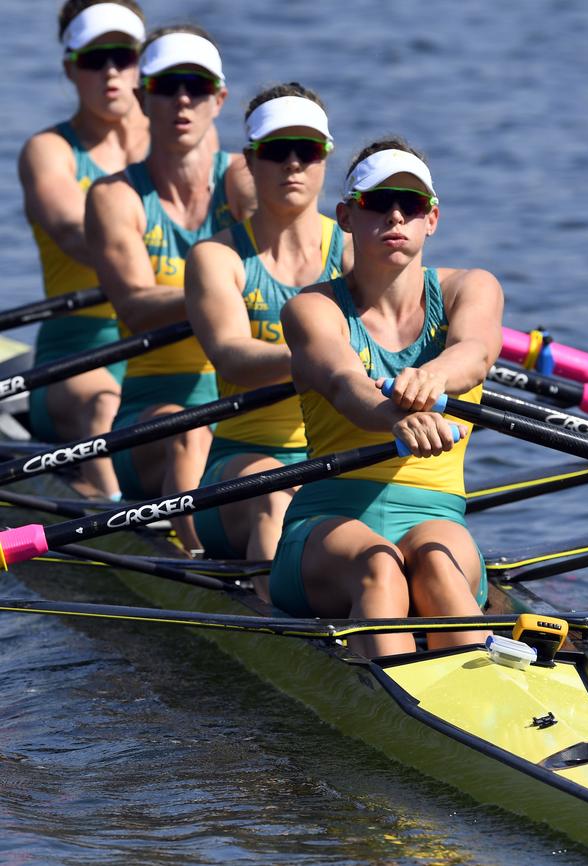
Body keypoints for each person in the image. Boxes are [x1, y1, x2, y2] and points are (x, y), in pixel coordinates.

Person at [270, 139, 503, 657]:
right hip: (328, 523)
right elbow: (342, 382)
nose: (395, 216)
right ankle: (403, 709)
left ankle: (487, 705)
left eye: (411, 205)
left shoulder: (472, 287)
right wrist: (391, 418)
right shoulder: (311, 308)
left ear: (432, 219)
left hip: (438, 520)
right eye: (378, 204)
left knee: (439, 567)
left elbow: (476, 352)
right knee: (379, 566)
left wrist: (431, 377)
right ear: (347, 217)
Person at [85, 23, 256, 551]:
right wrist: (220, 295)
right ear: (142, 97)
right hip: (153, 412)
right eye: (167, 86)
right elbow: (136, 306)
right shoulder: (116, 196)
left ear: (219, 99)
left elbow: (289, 264)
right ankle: (203, 564)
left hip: (252, 401)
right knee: (189, 429)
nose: (183, 100)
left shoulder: (247, 178)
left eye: (198, 87)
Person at [185, 83, 351, 593]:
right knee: (275, 498)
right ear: (252, 162)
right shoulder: (217, 257)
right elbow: (232, 356)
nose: (294, 164)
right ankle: (283, 632)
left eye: (309, 151)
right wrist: (317, 359)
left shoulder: (352, 252)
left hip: (338, 454)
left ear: (326, 159)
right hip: (242, 463)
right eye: (278, 151)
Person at [18, 0, 149, 499]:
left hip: (173, 340)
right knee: (104, 406)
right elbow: (76, 235)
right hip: (78, 352)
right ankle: (120, 518)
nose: (112, 72)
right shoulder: (49, 151)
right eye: (96, 60)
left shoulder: (180, 144)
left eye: (125, 55)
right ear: (71, 68)